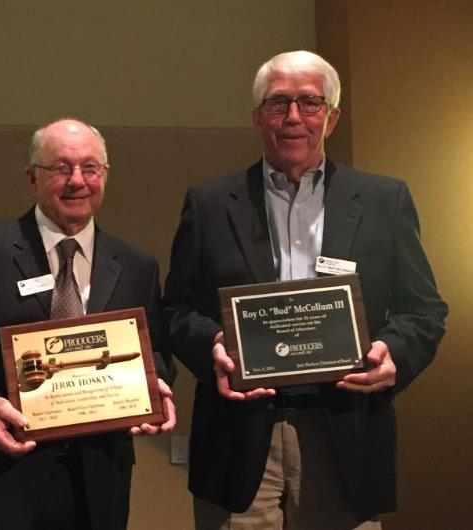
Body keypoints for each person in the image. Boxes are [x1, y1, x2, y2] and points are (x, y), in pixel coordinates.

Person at [163, 51, 447, 529]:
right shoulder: (209, 203)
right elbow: (175, 310)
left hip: (345, 431)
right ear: (257, 118)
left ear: (331, 118)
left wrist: (393, 354)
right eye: (278, 103)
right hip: (239, 437)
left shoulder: (384, 200)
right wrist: (212, 344)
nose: (293, 117)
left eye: (310, 103)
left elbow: (424, 310)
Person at [0, 118, 177, 530]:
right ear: (31, 177)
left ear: (105, 176)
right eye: (60, 168)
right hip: (2, 476)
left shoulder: (136, 265)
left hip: (99, 481)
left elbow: (155, 349)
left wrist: (155, 383)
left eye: (90, 168)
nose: (77, 181)